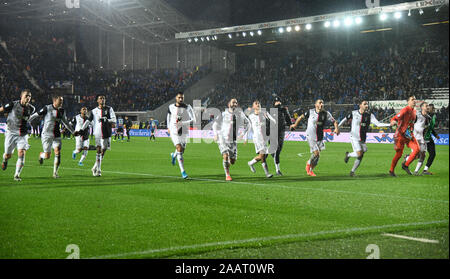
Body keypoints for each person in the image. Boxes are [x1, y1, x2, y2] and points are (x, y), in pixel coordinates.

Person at [29, 94, 75, 178]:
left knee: (57, 152)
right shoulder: (47, 108)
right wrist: (27, 121)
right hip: (46, 134)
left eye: (62, 101)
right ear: (54, 101)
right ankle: (41, 155)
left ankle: (55, 173)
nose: (62, 102)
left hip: (57, 134)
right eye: (60, 100)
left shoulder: (62, 111)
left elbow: (66, 122)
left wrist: (73, 131)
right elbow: (36, 115)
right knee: (47, 156)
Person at [289, 99, 340, 176]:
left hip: (319, 137)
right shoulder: (310, 112)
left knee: (318, 156)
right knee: (316, 153)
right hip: (310, 135)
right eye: (320, 103)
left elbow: (334, 121)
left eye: (322, 103)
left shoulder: (326, 114)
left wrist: (336, 128)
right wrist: (295, 125)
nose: (321, 104)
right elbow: (300, 117)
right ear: (316, 105)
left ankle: (310, 168)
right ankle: (309, 166)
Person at [339, 100, 390, 176]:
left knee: (363, 152)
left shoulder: (370, 115)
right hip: (354, 137)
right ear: (360, 105)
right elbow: (344, 119)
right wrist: (338, 127)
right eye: (365, 104)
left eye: (367, 104)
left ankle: (352, 171)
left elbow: (378, 124)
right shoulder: (354, 113)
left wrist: (389, 124)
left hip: (362, 138)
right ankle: (349, 156)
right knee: (359, 153)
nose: (367, 106)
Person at [0, 89, 35, 181]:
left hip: (22, 135)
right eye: (26, 96)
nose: (28, 98)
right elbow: (1, 110)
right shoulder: (13, 104)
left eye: (29, 96)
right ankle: (5, 160)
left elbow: (27, 120)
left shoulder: (31, 108)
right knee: (8, 155)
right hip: (11, 133)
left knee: (21, 153)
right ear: (21, 96)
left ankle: (17, 175)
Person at [212, 98, 250, 181]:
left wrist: (243, 134)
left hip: (233, 140)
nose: (235, 104)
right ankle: (227, 175)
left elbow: (248, 124)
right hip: (222, 138)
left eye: (236, 103)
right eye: (233, 102)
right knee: (225, 156)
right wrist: (215, 134)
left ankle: (228, 162)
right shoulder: (223, 114)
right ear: (229, 104)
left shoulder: (240, 114)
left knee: (232, 161)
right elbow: (215, 124)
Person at [80, 94, 116, 177]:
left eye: (104, 98)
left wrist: (106, 119)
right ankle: (99, 170)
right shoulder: (93, 111)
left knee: (103, 151)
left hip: (107, 133)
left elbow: (114, 119)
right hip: (98, 133)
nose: (102, 99)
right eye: (100, 98)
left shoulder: (109, 109)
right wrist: (82, 129)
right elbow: (88, 121)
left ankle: (94, 167)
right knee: (99, 151)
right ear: (97, 100)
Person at [167, 92, 196, 179]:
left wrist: (182, 123)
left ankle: (174, 155)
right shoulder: (171, 107)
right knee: (179, 148)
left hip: (184, 130)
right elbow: (168, 117)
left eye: (182, 98)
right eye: (179, 97)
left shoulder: (188, 107)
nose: (181, 99)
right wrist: (168, 127)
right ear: (176, 98)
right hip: (173, 130)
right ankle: (183, 171)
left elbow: (193, 119)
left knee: (181, 150)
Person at [389, 95, 420, 176]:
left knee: (417, 149)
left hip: (409, 135)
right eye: (412, 99)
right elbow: (395, 118)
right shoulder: (405, 110)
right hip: (400, 135)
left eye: (415, 99)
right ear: (408, 102)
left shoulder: (414, 111)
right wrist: (393, 121)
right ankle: (391, 170)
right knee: (399, 154)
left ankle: (405, 165)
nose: (414, 101)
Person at [247, 100, 276, 178]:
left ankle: (251, 163)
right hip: (257, 138)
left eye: (259, 103)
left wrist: (272, 122)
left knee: (263, 156)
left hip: (264, 137)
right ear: (253, 106)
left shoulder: (264, 113)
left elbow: (273, 120)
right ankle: (267, 173)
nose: (258, 104)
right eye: (256, 104)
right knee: (263, 155)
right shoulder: (251, 116)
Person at [403, 102, 431, 175]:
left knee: (423, 155)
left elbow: (426, 128)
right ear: (422, 107)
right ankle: (406, 160)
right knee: (416, 155)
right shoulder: (417, 115)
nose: (428, 107)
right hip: (415, 137)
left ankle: (416, 171)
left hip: (422, 138)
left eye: (428, 106)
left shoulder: (429, 118)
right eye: (426, 106)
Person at [267, 96, 292, 176]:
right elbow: (268, 123)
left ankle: (271, 153)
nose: (278, 103)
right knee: (277, 150)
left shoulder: (284, 110)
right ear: (274, 103)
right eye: (277, 102)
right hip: (272, 132)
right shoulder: (271, 111)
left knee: (279, 149)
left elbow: (288, 118)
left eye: (279, 101)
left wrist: (291, 125)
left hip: (281, 132)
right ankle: (278, 170)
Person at [423, 104, 440, 175]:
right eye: (428, 108)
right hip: (423, 138)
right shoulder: (425, 117)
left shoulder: (433, 116)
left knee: (432, 154)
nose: (430, 109)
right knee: (419, 155)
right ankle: (407, 158)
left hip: (429, 137)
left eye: (432, 108)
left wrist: (435, 135)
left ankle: (425, 170)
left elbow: (430, 127)